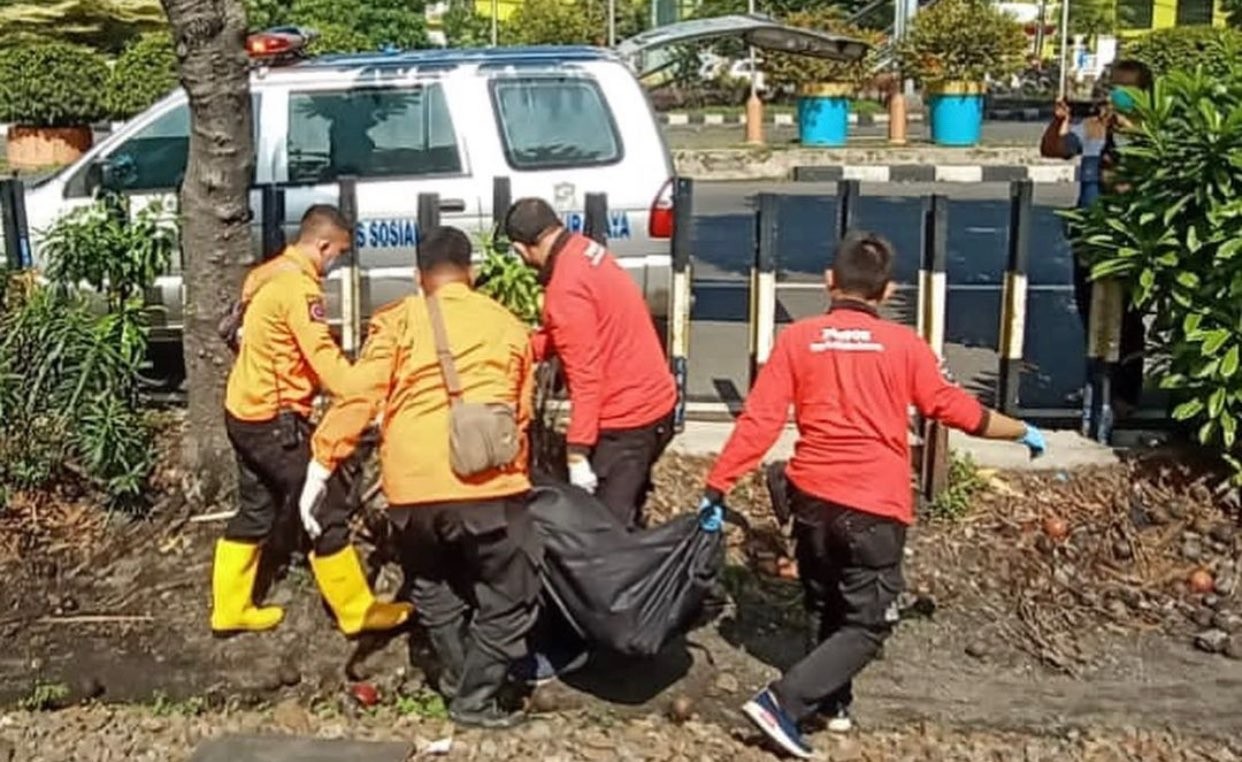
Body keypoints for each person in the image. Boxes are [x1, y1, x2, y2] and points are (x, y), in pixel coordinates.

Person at [699, 232, 1048, 759]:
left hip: (811, 499)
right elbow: (953, 409)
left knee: (823, 599)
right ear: (886, 293)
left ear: (828, 282)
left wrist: (717, 485)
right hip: (873, 506)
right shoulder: (906, 346)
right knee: (868, 624)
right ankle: (783, 703)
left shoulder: (799, 340)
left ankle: (830, 703)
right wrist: (1019, 430)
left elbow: (760, 422)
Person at [301, 227, 540, 728]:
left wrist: (321, 464)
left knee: (430, 585)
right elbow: (521, 413)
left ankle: (457, 679)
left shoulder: (399, 321)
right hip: (489, 487)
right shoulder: (506, 323)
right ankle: (474, 697)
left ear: (418, 277)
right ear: (472, 273)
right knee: (511, 594)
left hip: (412, 489)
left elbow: (361, 396)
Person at [211, 204, 413, 637]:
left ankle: (229, 609)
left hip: (243, 411)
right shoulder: (299, 291)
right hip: (273, 420)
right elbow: (326, 362)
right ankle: (356, 612)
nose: (335, 262)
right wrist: (368, 394)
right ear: (322, 244)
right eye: (336, 253)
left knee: (257, 507)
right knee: (328, 503)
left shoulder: (265, 274)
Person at [503, 197, 678, 532]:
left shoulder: (564, 289)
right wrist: (523, 348)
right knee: (623, 519)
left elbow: (586, 375)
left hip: (627, 422)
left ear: (521, 249)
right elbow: (576, 332)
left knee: (605, 533)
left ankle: (627, 578)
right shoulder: (585, 252)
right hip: (654, 405)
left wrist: (577, 452)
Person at [1040, 59, 1152, 416]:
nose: (1115, 94)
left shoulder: (1151, 135)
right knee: (1092, 315)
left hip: (1132, 239)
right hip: (1090, 235)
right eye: (1112, 86)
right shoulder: (1092, 128)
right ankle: (1095, 391)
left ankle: (1125, 396)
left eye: (1125, 88)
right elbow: (1053, 149)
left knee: (1128, 320)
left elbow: (1137, 182)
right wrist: (1059, 123)